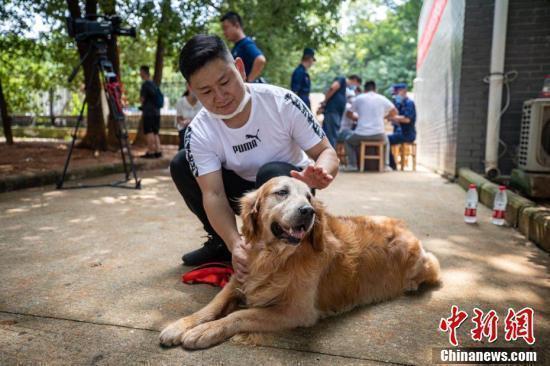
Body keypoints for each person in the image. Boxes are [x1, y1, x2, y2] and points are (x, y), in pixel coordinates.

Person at [170, 35, 338, 280]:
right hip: (243, 193)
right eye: (206, 91)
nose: (220, 96)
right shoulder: (199, 131)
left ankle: (290, 244)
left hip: (289, 185)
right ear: (192, 90)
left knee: (271, 173)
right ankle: (221, 245)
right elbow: (214, 194)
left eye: (225, 82)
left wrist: (320, 174)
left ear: (240, 68)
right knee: (181, 163)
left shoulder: (282, 101)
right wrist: (234, 242)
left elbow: (326, 152)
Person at [344, 80, 397, 171]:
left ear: (365, 89)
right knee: (386, 142)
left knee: (348, 141)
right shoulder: (382, 98)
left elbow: (349, 114)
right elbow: (394, 112)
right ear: (375, 89)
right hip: (378, 133)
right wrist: (384, 117)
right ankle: (385, 165)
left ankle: (352, 165)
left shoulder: (359, 98)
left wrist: (358, 119)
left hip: (361, 134)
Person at [221, 12, 266, 83]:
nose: (224, 32)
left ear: (236, 25)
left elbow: (260, 60)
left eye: (226, 28)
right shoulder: (237, 47)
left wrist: (248, 81)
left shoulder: (245, 43)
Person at [320, 75, 362, 147]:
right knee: (331, 136)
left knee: (332, 135)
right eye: (356, 85)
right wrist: (324, 102)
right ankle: (329, 155)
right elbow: (332, 88)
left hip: (336, 113)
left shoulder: (344, 88)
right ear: (354, 80)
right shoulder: (342, 79)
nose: (355, 87)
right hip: (332, 111)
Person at [388, 83, 416, 170]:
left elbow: (407, 119)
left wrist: (393, 117)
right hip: (399, 133)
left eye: (396, 94)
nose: (395, 96)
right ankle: (391, 164)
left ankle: (392, 165)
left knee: (385, 140)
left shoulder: (409, 103)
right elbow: (396, 117)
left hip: (407, 134)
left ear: (403, 91)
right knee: (384, 139)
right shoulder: (399, 104)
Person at [139, 65, 162, 158]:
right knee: (155, 132)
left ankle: (151, 152)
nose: (140, 74)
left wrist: (141, 101)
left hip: (148, 113)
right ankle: (158, 151)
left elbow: (142, 99)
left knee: (149, 132)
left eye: (140, 72)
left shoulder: (145, 85)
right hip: (157, 112)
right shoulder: (154, 84)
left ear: (144, 73)